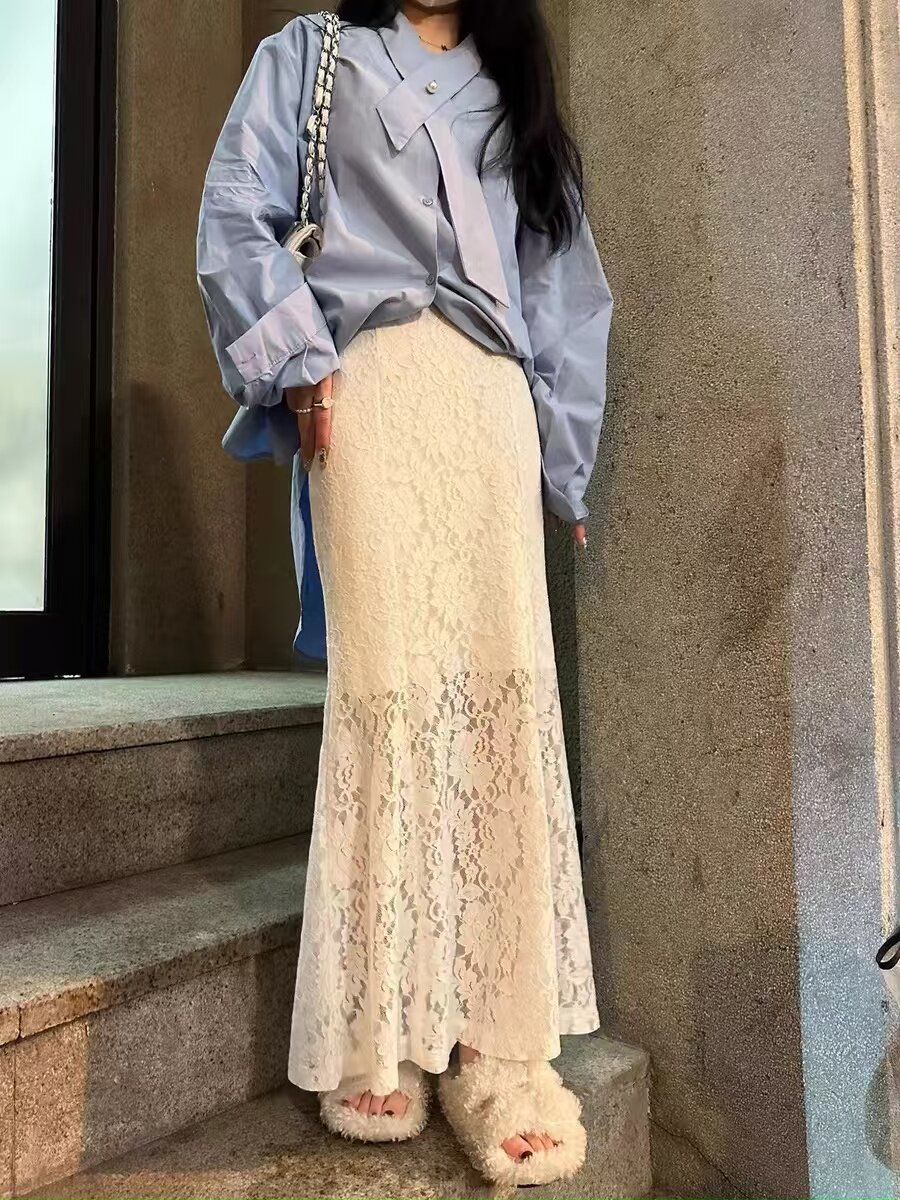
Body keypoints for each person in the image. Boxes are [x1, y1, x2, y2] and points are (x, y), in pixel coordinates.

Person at [196, 0, 613, 1186]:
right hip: (366, 395)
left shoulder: (515, 78)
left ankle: (499, 1052)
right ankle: (379, 1030)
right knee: (384, 704)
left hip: (489, 410)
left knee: (497, 711)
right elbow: (236, 213)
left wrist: (562, 457)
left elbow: (563, 282)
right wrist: (298, 360)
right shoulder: (309, 52)